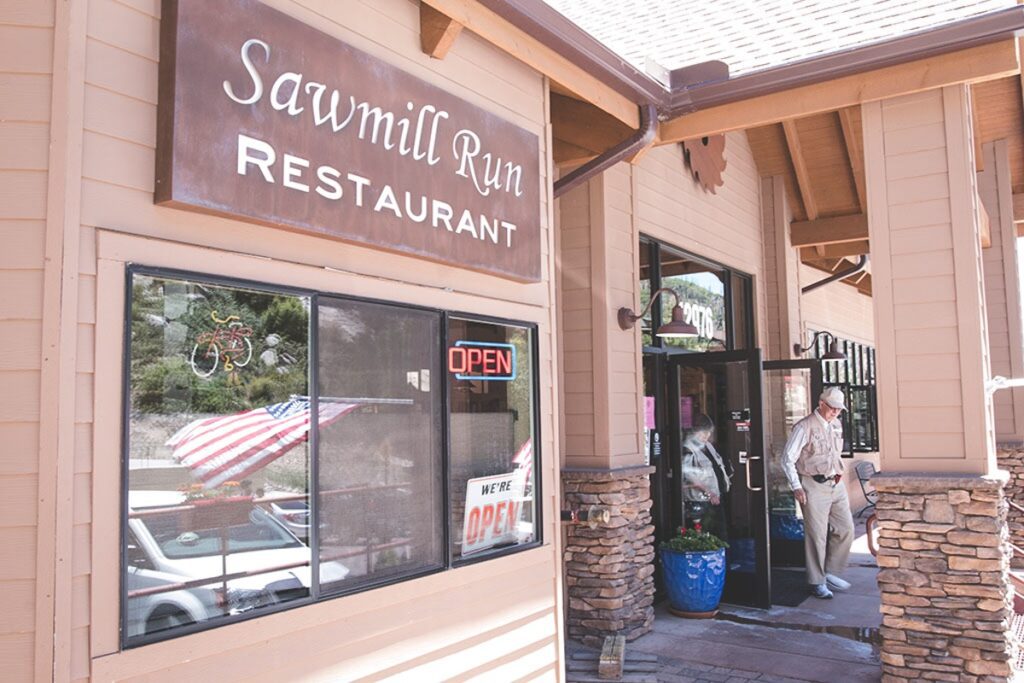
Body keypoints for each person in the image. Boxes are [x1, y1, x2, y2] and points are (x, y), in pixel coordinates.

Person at [781, 386, 854, 599]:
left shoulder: (836, 424)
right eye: (832, 408)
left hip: (836, 483)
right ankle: (817, 581)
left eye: (839, 409)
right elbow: (787, 458)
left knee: (846, 528)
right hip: (813, 484)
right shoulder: (804, 427)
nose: (836, 412)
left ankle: (830, 572)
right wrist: (796, 486)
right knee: (817, 535)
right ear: (821, 404)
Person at [679, 414, 733, 541]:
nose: (706, 436)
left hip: (717, 496)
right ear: (693, 432)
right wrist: (709, 492)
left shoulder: (708, 446)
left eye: (708, 433)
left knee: (720, 534)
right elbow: (689, 474)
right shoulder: (687, 449)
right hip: (701, 500)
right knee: (705, 536)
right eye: (703, 433)